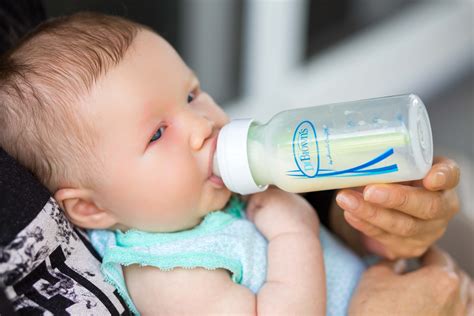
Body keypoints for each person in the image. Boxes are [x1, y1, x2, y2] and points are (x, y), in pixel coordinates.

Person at [0, 10, 471, 315]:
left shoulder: (204, 196)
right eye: (158, 133)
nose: (202, 124)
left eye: (191, 94)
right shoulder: (167, 274)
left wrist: (365, 219)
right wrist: (295, 232)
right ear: (91, 209)